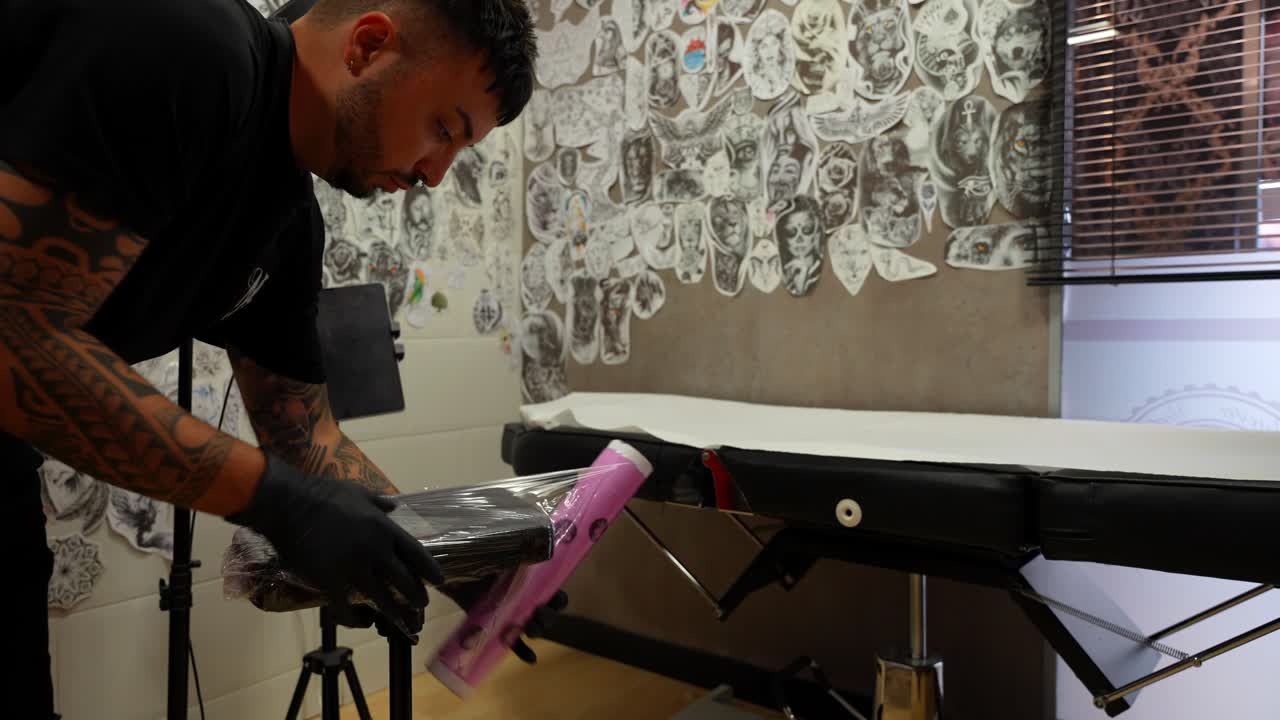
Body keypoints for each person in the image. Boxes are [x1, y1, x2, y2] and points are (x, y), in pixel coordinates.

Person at [0, 0, 558, 715]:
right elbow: (14, 339)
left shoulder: (289, 228)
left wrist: (451, 556)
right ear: (368, 45)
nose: (437, 173)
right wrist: (278, 503)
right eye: (443, 129)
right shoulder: (189, 44)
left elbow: (306, 440)